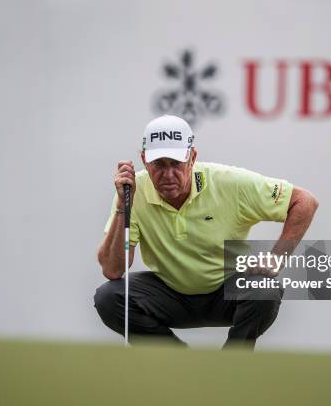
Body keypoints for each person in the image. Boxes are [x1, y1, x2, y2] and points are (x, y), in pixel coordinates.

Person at [95, 115, 318, 349]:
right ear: (144, 160)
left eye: (176, 163)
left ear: (192, 157)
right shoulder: (133, 191)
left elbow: (304, 201)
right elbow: (113, 269)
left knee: (265, 289)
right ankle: (178, 363)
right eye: (159, 164)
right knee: (109, 298)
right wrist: (122, 207)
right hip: (169, 293)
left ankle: (232, 364)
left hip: (228, 291)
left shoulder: (228, 183)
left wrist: (277, 257)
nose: (168, 175)